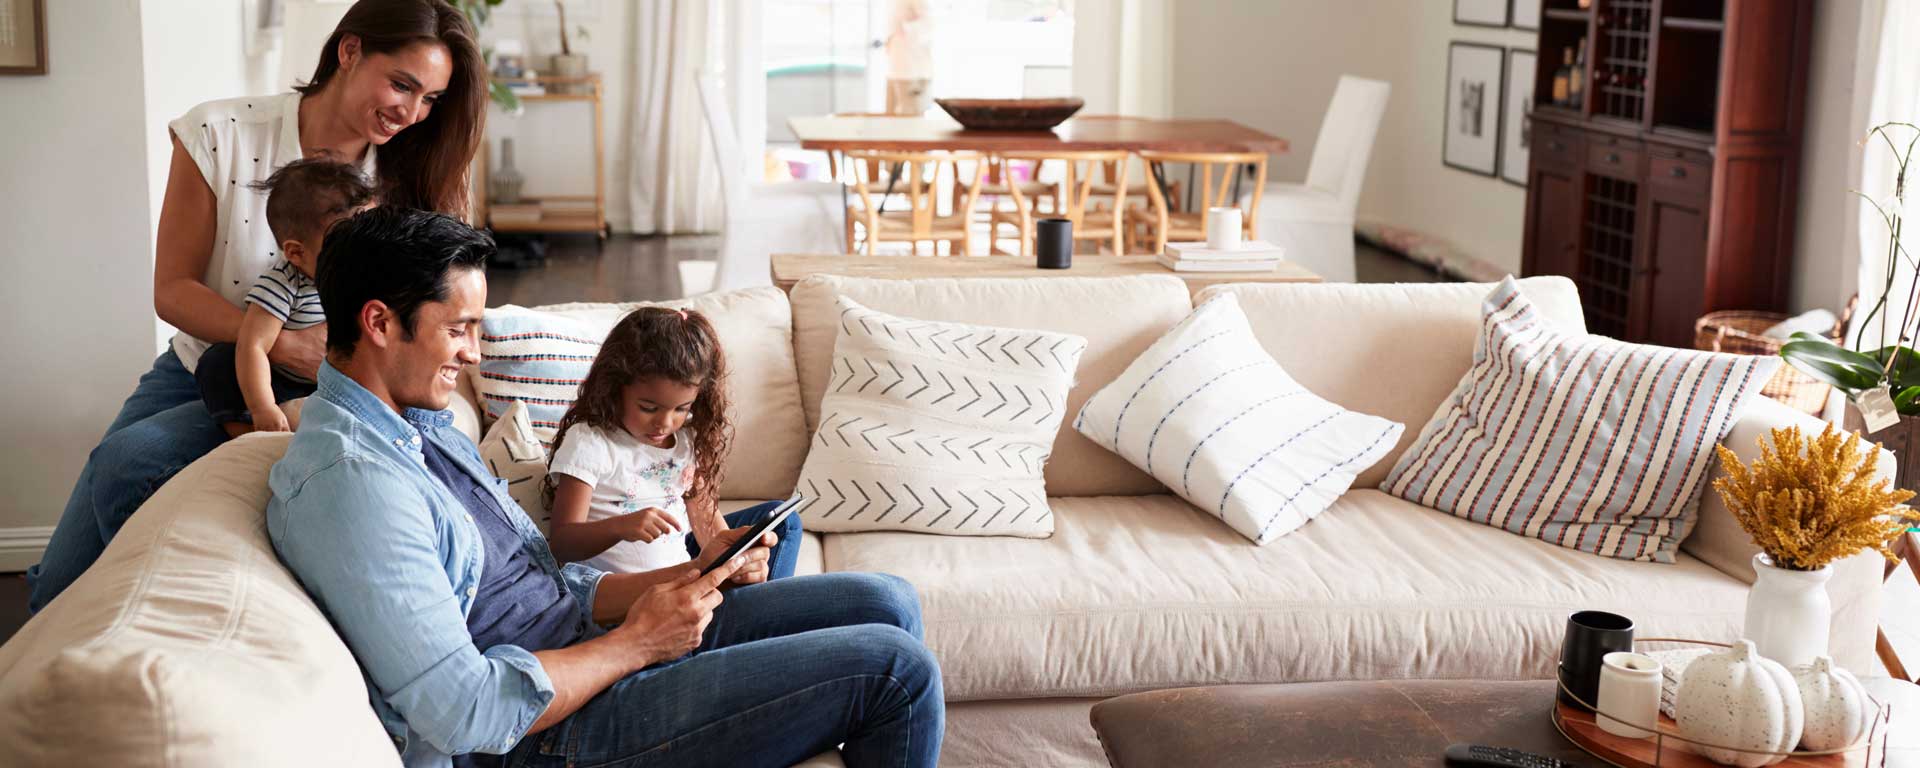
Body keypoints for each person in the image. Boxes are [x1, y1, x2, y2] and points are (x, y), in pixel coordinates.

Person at [269, 206, 943, 768]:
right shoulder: (352, 487)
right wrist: (639, 643)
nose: (473, 352)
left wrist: (687, 576)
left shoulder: (423, 425)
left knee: (886, 599)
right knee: (896, 671)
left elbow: (548, 580)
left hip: (590, 640)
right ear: (380, 323)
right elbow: (463, 711)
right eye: (458, 328)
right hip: (550, 729)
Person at [28, 0, 487, 612]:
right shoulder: (219, 133)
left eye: (430, 98)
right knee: (57, 587)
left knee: (130, 461)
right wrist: (271, 338)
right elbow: (173, 291)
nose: (411, 111)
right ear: (349, 51)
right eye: (402, 84)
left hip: (323, 383)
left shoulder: (410, 174)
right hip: (201, 364)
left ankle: (151, 620)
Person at [543, 307, 803, 580]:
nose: (664, 423)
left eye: (681, 408)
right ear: (615, 386)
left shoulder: (686, 441)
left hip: (688, 578)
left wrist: (738, 564)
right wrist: (620, 527)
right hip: (638, 598)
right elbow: (562, 544)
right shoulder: (590, 442)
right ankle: (763, 608)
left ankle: (759, 602)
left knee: (784, 524)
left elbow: (711, 532)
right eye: (648, 407)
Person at [195, 158, 376, 438]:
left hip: (337, 383)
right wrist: (262, 406)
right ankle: (247, 434)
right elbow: (253, 345)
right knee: (219, 361)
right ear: (296, 253)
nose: (362, 255)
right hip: (283, 384)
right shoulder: (284, 283)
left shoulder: (368, 277)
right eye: (345, 245)